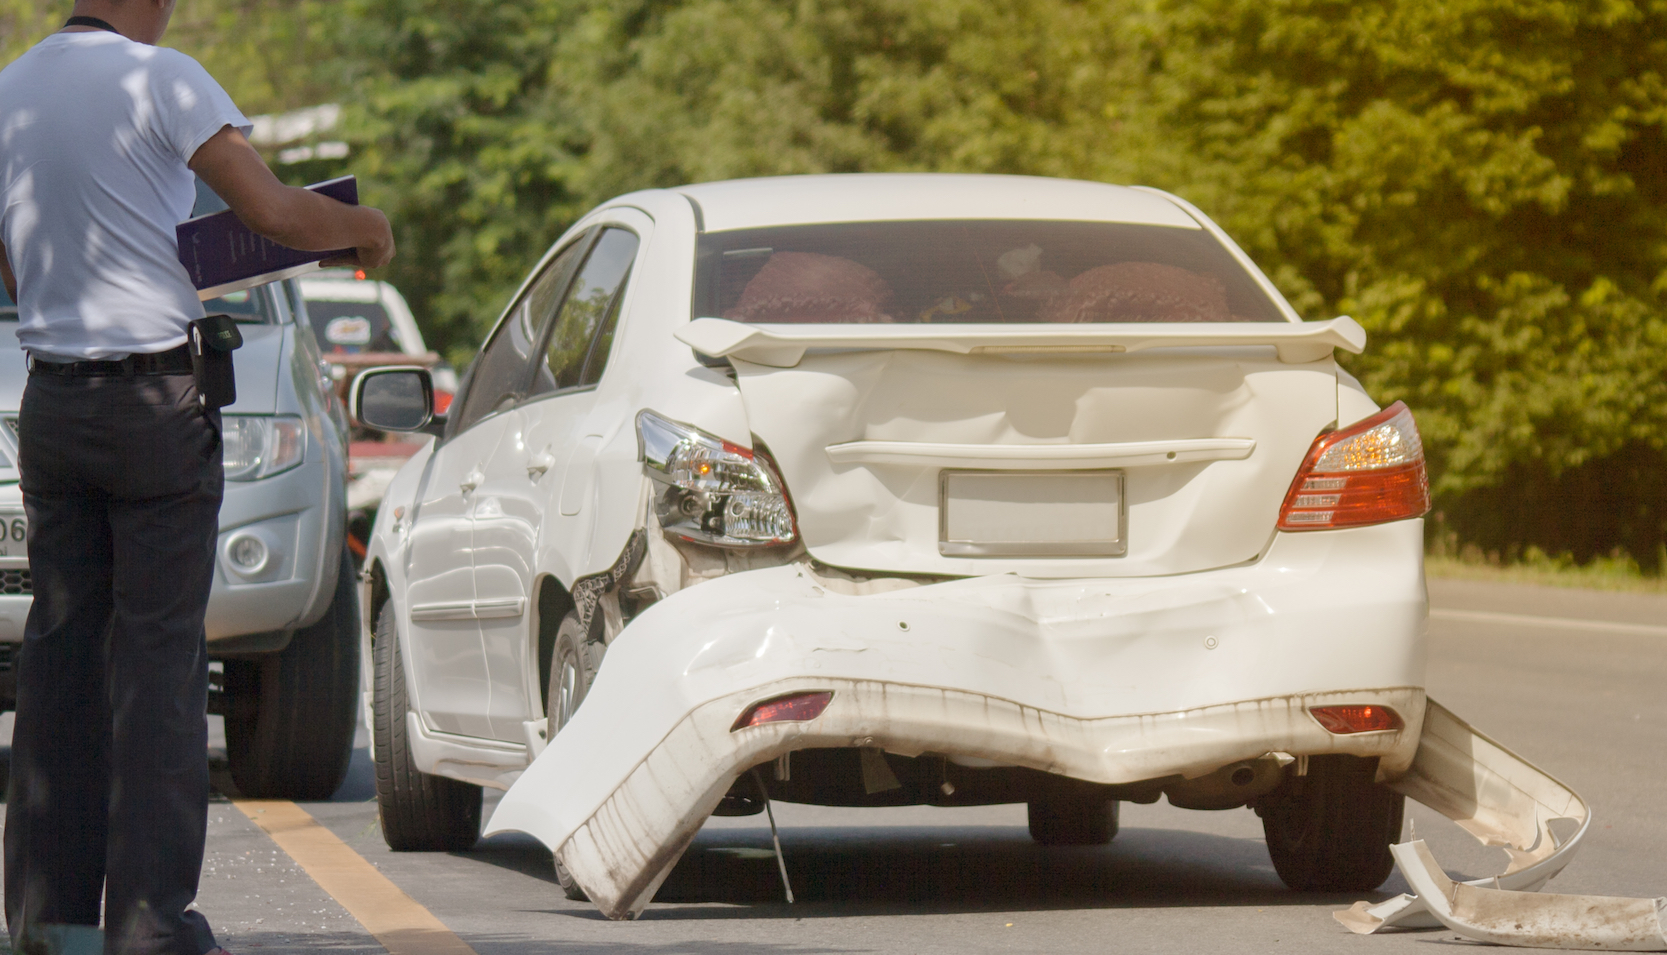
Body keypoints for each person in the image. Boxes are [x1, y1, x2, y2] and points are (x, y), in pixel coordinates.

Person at [0, 2, 394, 953]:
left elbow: (11, 272)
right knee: (161, 663)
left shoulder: (9, 92)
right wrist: (361, 226)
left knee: (58, 663)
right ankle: (149, 926)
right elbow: (271, 212)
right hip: (152, 410)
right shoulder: (163, 78)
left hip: (50, 401)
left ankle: (47, 923)